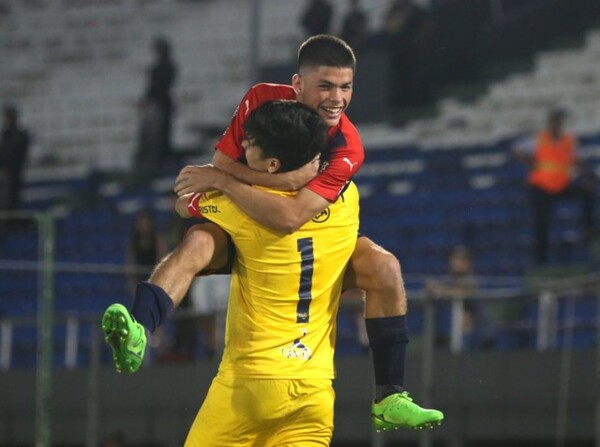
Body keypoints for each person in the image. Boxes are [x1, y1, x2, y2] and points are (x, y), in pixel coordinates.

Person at [112, 35, 443, 431]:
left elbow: (288, 214)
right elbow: (221, 164)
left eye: (346, 86)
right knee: (200, 241)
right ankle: (139, 329)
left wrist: (226, 180)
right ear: (297, 84)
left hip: (298, 241)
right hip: (254, 241)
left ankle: (389, 394)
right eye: (325, 85)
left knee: (384, 266)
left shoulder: (347, 147)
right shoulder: (261, 100)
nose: (337, 98)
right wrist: (278, 179)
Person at [106, 99, 358, 445]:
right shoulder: (345, 199)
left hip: (250, 383)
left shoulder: (241, 207)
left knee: (197, 239)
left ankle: (142, 324)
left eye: (250, 146)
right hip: (314, 390)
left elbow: (183, 203)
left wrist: (222, 180)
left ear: (272, 164)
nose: (242, 148)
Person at [513, 108, 595, 265]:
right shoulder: (539, 139)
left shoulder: (568, 140)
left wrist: (587, 176)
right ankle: (541, 259)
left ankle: (587, 229)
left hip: (562, 184)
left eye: (559, 121)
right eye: (554, 121)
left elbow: (578, 159)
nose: (556, 124)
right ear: (550, 123)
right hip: (542, 185)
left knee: (587, 192)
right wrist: (530, 162)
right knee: (541, 221)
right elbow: (517, 150)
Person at [426, 246, 495, 351]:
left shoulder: (471, 281)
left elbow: (462, 291)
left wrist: (439, 290)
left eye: (460, 260)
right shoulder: (450, 280)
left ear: (468, 263)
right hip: (457, 332)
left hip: (481, 332)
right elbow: (435, 287)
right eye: (454, 260)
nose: (455, 263)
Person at [135, 36, 177, 175]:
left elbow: (158, 87)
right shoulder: (161, 68)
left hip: (161, 104)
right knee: (156, 134)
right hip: (158, 104)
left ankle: (160, 161)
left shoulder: (166, 68)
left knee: (162, 134)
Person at [0, 104, 30, 214]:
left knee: (9, 202)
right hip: (7, 174)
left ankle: (9, 226)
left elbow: (15, 155)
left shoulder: (20, 135)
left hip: (13, 174)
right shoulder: (6, 134)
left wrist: (6, 168)